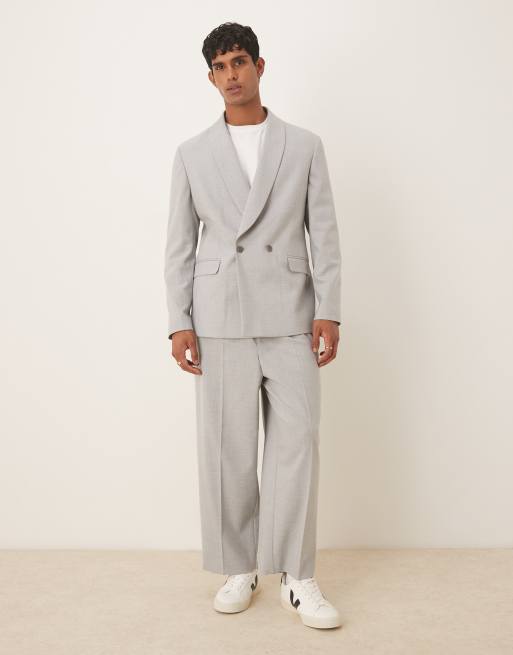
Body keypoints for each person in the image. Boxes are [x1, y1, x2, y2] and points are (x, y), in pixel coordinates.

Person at [164, 21, 342, 630]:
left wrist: (328, 307)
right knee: (228, 449)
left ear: (259, 67)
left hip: (291, 312)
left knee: (298, 443)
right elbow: (179, 246)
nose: (230, 75)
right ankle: (239, 567)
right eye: (219, 67)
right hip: (219, 315)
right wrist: (178, 321)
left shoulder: (304, 145)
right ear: (210, 77)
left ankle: (296, 574)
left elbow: (325, 234)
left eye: (239, 61)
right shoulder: (192, 154)